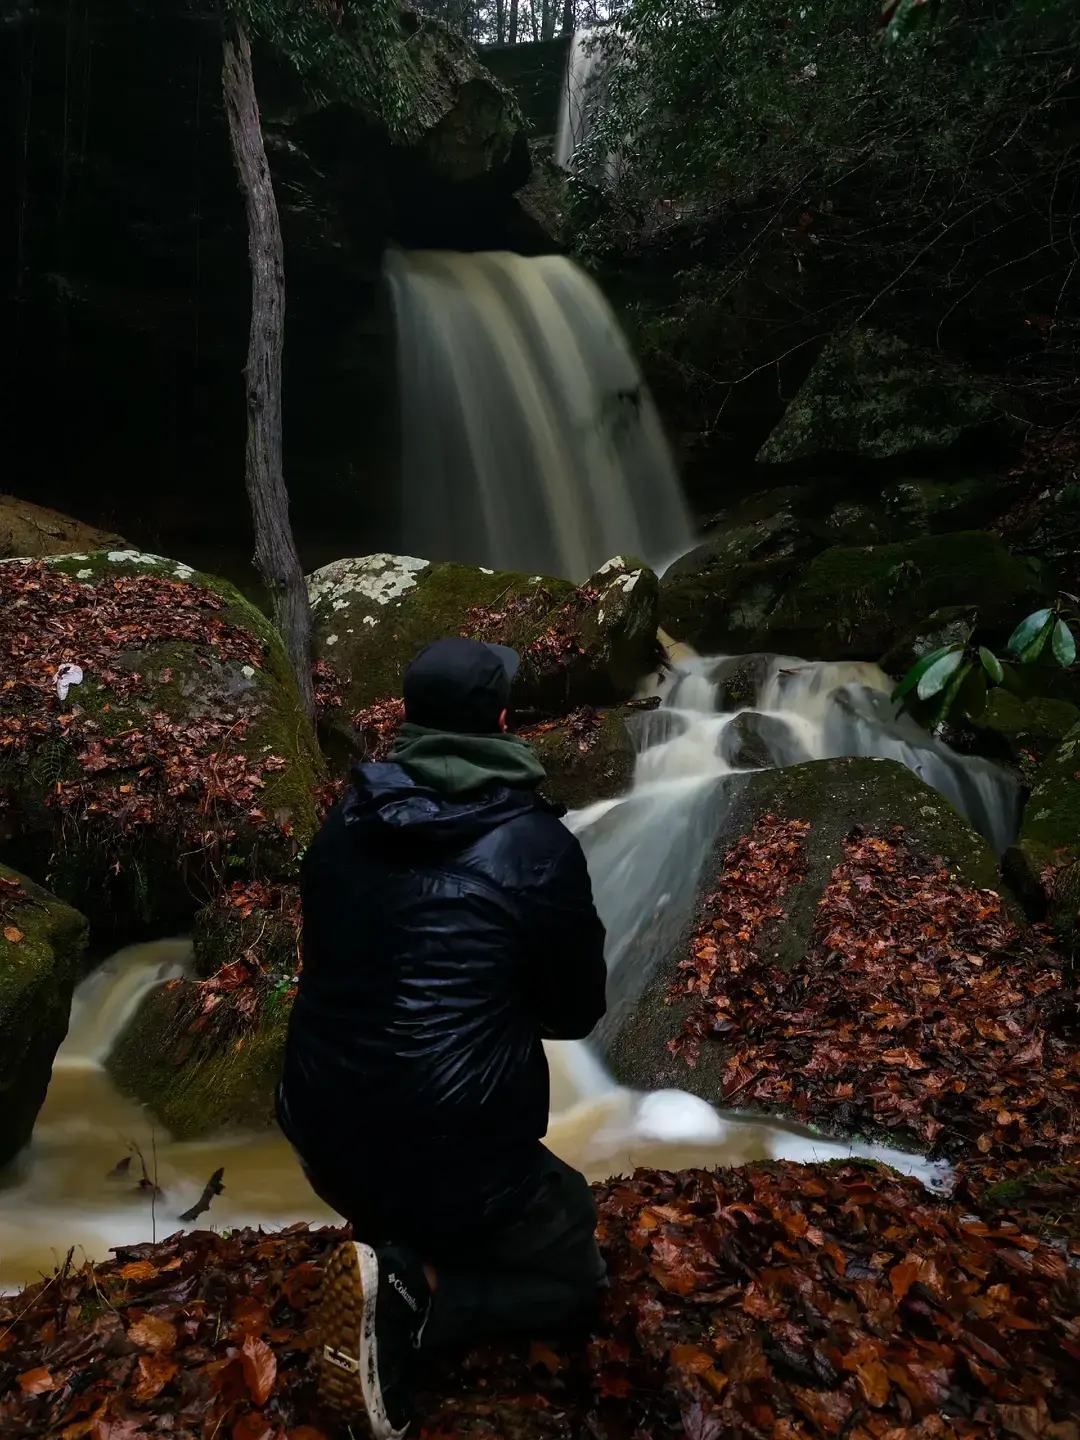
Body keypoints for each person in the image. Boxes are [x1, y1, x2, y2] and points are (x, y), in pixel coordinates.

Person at [277, 636, 609, 1440]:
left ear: (410, 720)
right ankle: (415, 1298)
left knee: (415, 1154)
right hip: (457, 1153)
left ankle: (388, 1246)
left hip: (318, 1125)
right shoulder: (535, 846)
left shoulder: (344, 820)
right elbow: (575, 1013)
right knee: (577, 1273)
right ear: (500, 720)